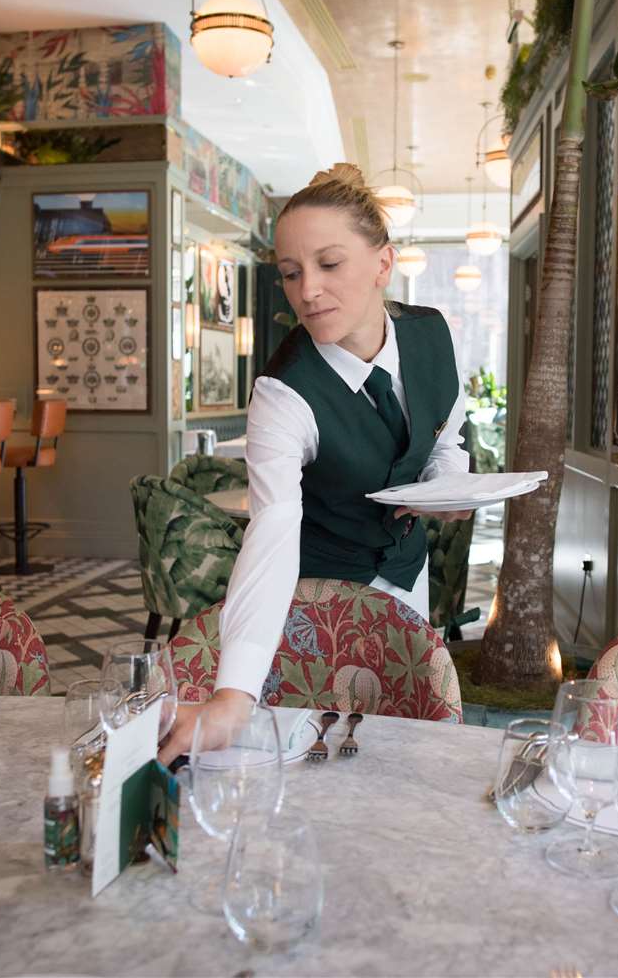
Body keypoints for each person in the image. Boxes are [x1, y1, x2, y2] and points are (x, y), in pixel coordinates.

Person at [160, 163, 470, 761]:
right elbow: (273, 528)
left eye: (329, 265)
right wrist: (233, 692)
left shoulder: (432, 335)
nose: (307, 291)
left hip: (407, 572)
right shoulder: (285, 391)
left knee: (394, 745)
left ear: (383, 262)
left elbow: (444, 441)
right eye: (292, 273)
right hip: (315, 591)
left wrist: (448, 487)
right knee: (310, 749)